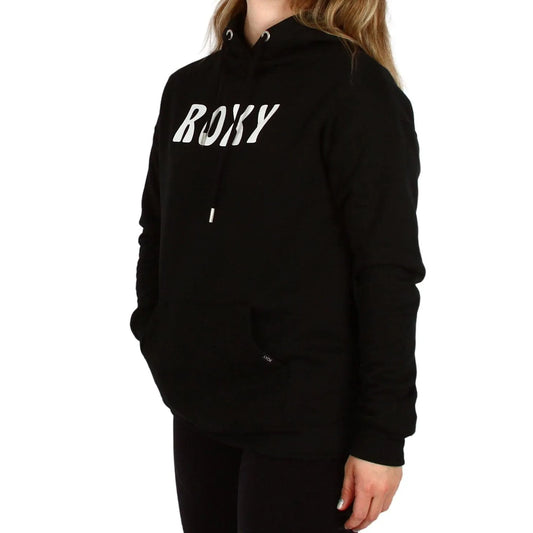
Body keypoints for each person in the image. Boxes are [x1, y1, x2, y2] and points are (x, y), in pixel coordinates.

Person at [129, 0, 426, 531]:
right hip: (198, 404)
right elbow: (157, 227)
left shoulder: (356, 89)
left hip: (304, 417)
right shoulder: (187, 89)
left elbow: (387, 272)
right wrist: (157, 332)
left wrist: (383, 436)